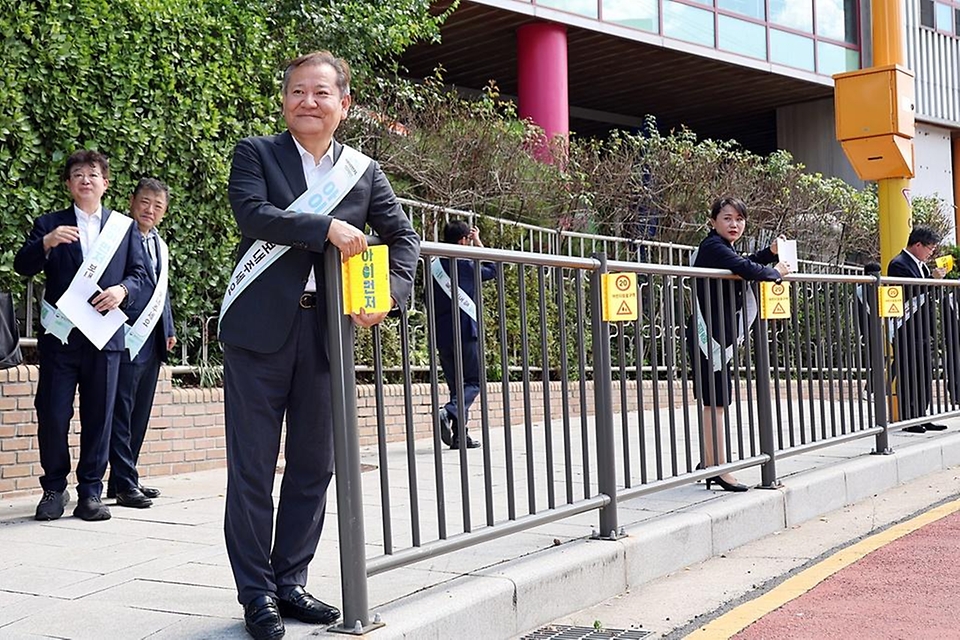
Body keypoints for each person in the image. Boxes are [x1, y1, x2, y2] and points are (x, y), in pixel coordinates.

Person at [219, 51, 419, 640]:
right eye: (298, 91)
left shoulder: (364, 171)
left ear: (343, 104)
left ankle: (291, 582)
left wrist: (389, 296)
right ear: (285, 100)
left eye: (321, 92)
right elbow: (252, 215)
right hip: (258, 334)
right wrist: (324, 227)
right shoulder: (257, 153)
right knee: (252, 468)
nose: (308, 101)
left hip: (327, 332)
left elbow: (403, 239)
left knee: (314, 465)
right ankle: (256, 593)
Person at [14, 150, 149, 521]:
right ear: (69, 184)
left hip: (105, 337)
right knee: (53, 413)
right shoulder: (50, 223)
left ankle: (91, 492)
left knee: (100, 415)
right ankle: (54, 489)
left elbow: (141, 275)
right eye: (77, 174)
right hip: (61, 338)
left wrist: (122, 291)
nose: (85, 180)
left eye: (93, 174)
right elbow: (22, 265)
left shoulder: (122, 228)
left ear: (106, 183)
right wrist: (45, 243)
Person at [687, 197, 791, 492]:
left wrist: (769, 255)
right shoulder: (714, 247)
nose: (735, 224)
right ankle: (720, 468)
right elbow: (745, 268)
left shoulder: (719, 247)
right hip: (712, 335)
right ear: (713, 221)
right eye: (728, 218)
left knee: (714, 401)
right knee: (717, 401)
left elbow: (745, 262)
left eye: (740, 219)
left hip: (716, 333)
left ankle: (711, 463)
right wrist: (776, 273)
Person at [107, 178, 177, 507]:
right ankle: (123, 482)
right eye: (145, 202)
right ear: (132, 200)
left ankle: (125, 475)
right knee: (122, 409)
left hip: (152, 339)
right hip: (123, 334)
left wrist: (169, 328)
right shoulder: (117, 237)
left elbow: (162, 292)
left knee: (140, 412)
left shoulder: (159, 244)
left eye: (157, 206)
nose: (150, 210)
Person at [431, 221, 497, 450]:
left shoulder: (434, 266)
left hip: (442, 332)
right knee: (473, 382)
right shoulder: (466, 264)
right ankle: (448, 412)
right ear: (463, 240)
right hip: (466, 332)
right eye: (468, 239)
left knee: (456, 386)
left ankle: (460, 436)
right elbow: (492, 269)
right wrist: (479, 243)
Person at [887, 226, 948, 433]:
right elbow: (909, 291)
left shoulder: (921, 266)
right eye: (930, 247)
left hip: (923, 328)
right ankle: (909, 418)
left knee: (923, 372)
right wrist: (932, 280)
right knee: (908, 371)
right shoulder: (898, 264)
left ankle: (922, 414)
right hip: (906, 327)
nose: (932, 252)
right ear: (918, 244)